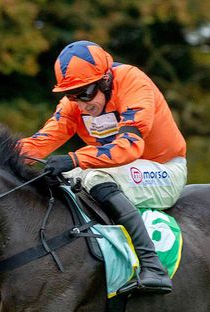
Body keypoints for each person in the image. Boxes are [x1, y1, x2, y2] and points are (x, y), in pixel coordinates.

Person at [18, 40, 187, 294]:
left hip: (163, 169)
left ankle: (153, 266)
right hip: (121, 171)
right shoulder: (74, 104)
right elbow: (39, 143)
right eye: (72, 95)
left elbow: (129, 146)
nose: (81, 104)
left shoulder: (133, 83)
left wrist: (74, 158)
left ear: (106, 80)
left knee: (93, 176)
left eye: (85, 93)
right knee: (62, 179)